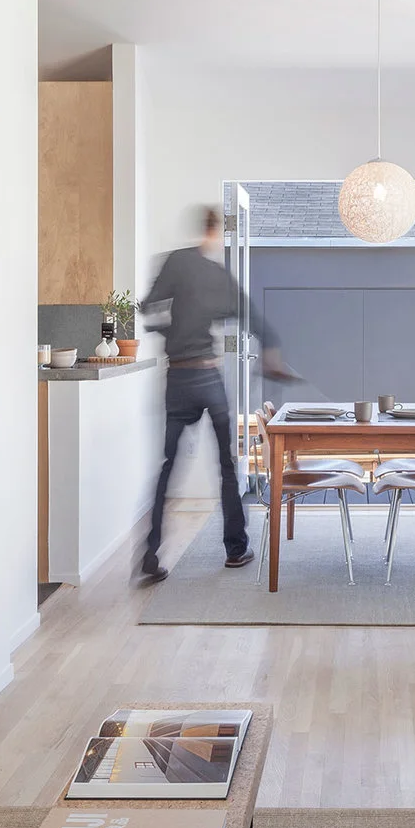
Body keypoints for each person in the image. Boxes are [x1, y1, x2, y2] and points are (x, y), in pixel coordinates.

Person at [137, 206, 299, 583]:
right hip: (207, 379)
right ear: (215, 234)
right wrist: (271, 356)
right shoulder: (217, 275)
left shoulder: (176, 262)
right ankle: (235, 549)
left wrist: (170, 335)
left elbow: (147, 309)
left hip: (177, 378)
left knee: (167, 466)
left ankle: (150, 553)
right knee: (226, 466)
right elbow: (254, 318)